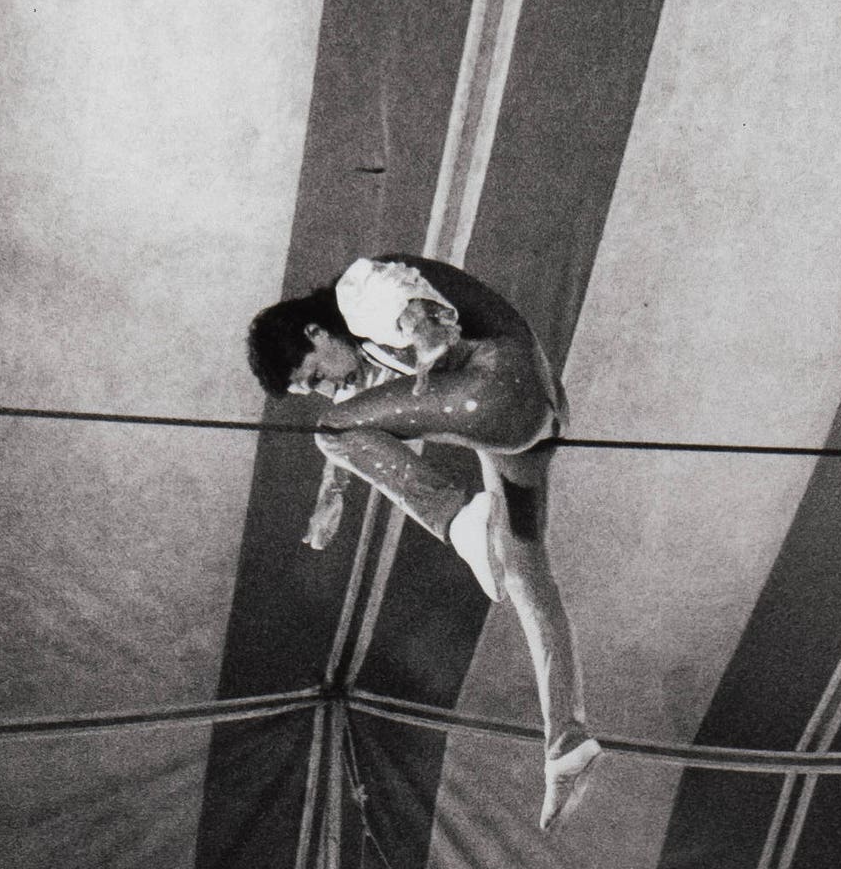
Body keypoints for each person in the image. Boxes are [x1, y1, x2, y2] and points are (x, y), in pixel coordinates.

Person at [247, 256, 602, 832]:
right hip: (531, 423)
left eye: (314, 375)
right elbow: (368, 419)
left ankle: (460, 522)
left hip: (496, 392)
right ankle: (567, 738)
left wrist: (429, 335)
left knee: (330, 431)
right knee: (524, 571)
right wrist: (333, 489)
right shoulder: (367, 354)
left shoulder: (355, 293)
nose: (324, 389)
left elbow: (405, 303)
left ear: (315, 331)